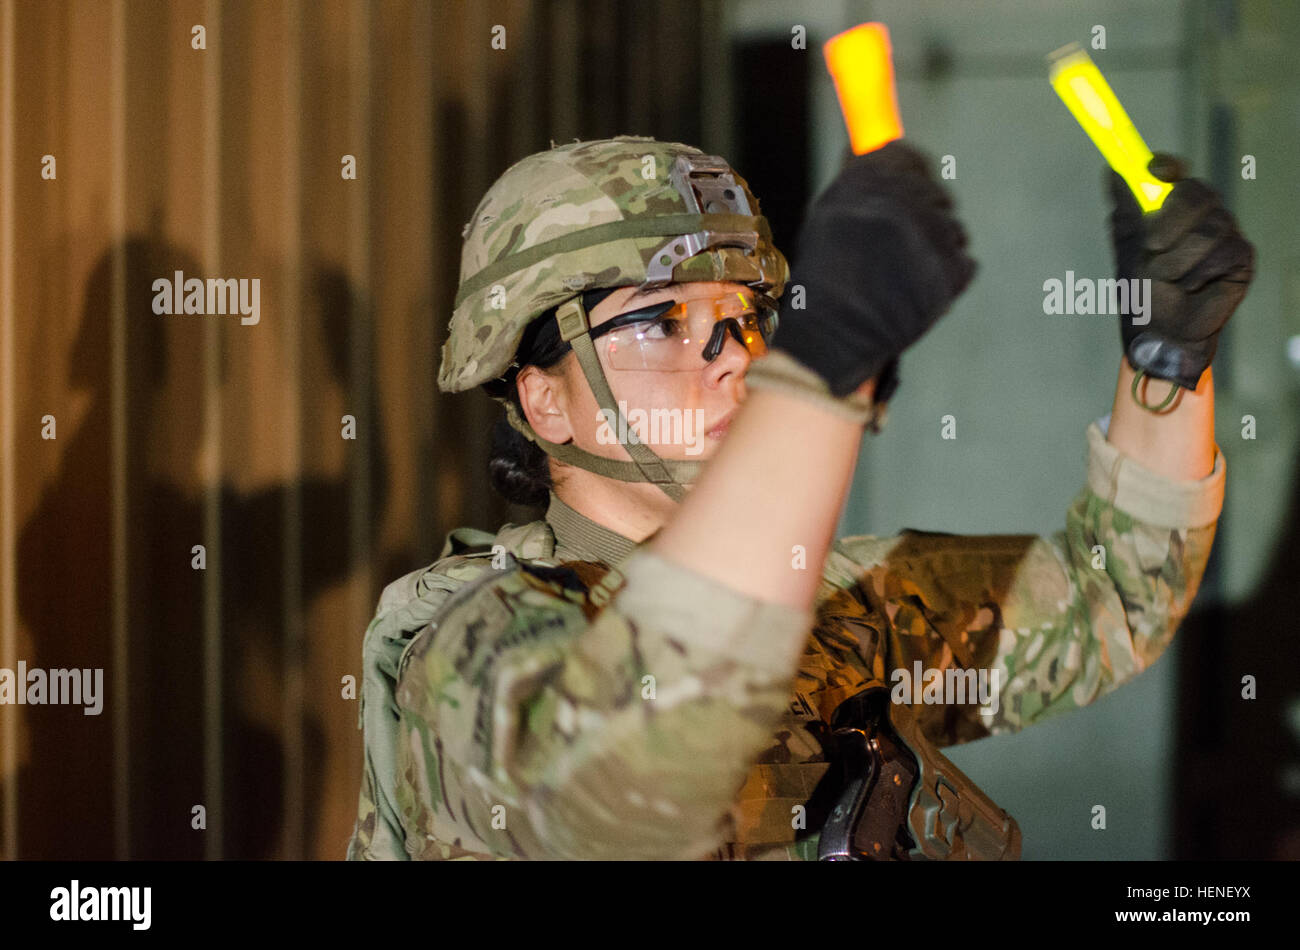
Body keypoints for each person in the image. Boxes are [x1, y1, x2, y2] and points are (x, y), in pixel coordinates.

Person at [346, 134, 1251, 860]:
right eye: (664, 322)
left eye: (742, 320)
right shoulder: (470, 646)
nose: (735, 355)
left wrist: (1167, 367)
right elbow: (620, 783)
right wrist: (818, 376)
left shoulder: (833, 607)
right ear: (545, 399)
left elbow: (1114, 594)